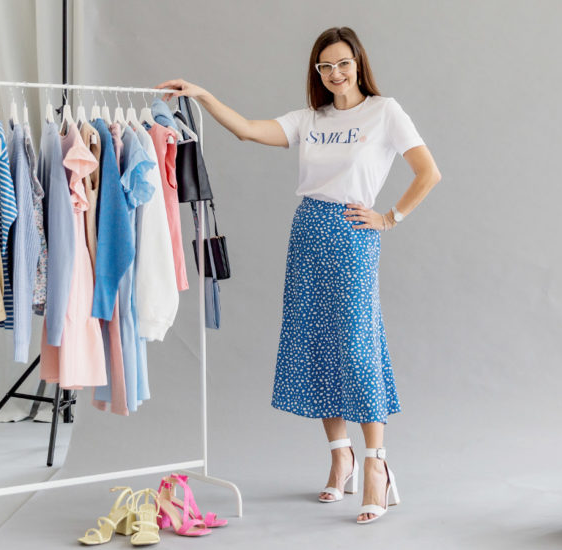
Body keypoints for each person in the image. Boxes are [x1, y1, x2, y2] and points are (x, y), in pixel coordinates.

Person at [156, 26, 441, 524]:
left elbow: (427, 172)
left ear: (359, 62)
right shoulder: (311, 119)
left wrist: (389, 217)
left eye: (343, 64)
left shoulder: (384, 111)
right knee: (316, 343)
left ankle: (377, 466)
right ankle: (340, 458)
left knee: (357, 345)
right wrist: (202, 95)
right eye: (325, 67)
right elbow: (246, 128)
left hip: (353, 235)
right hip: (308, 230)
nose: (335, 74)